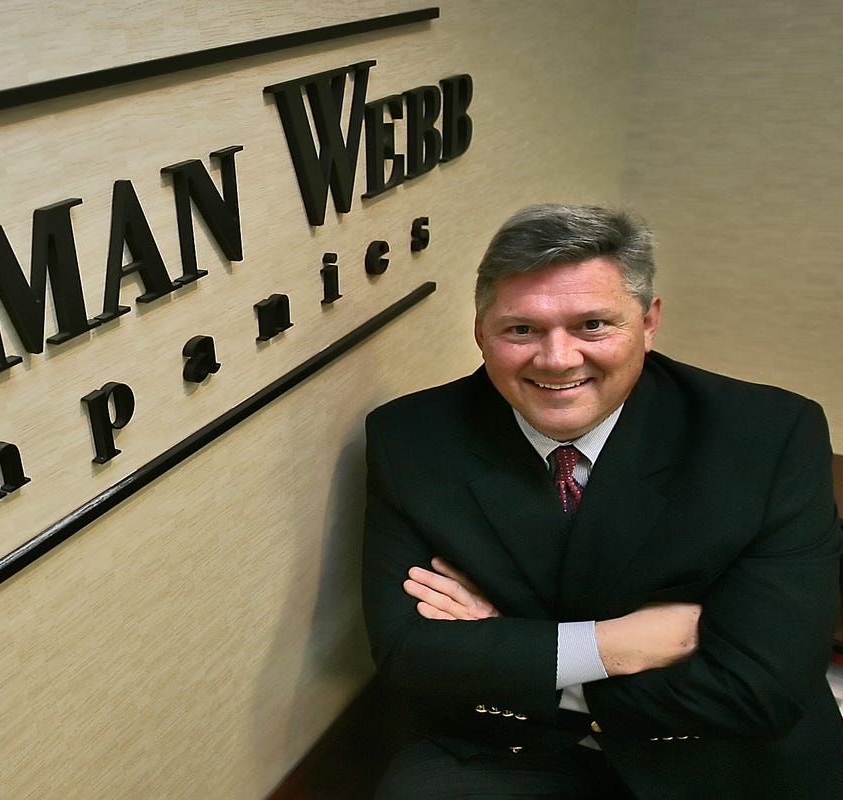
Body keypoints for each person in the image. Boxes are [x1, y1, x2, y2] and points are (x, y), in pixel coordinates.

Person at [361, 204, 843, 799]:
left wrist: (511, 643)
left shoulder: (770, 434)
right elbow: (410, 656)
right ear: (480, 330)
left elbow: (760, 686)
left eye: (593, 325)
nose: (557, 359)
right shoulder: (409, 437)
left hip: (722, 750)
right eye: (522, 329)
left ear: (648, 322)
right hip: (505, 744)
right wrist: (614, 647)